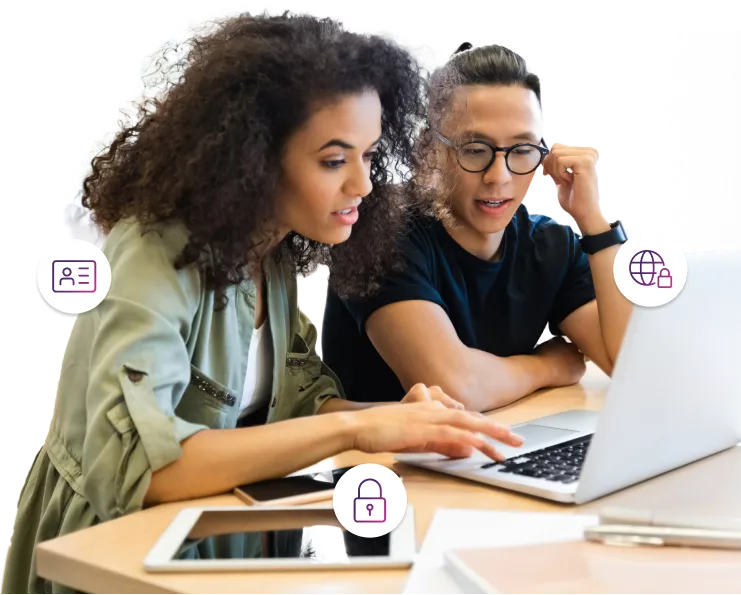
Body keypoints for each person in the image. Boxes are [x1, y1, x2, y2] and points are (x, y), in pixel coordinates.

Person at [3, 14, 521, 595]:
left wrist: (404, 422)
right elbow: (143, 468)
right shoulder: (153, 253)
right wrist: (361, 426)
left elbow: (297, 401)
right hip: (113, 556)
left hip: (222, 539)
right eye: (334, 160)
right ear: (251, 157)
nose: (364, 185)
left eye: (370, 156)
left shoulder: (271, 253)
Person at [320, 42, 634, 412]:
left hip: (499, 447)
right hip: (385, 465)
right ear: (427, 149)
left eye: (521, 150)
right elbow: (454, 389)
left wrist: (594, 223)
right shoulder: (379, 233)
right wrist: (547, 365)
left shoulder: (550, 246)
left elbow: (633, 365)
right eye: (474, 149)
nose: (498, 177)